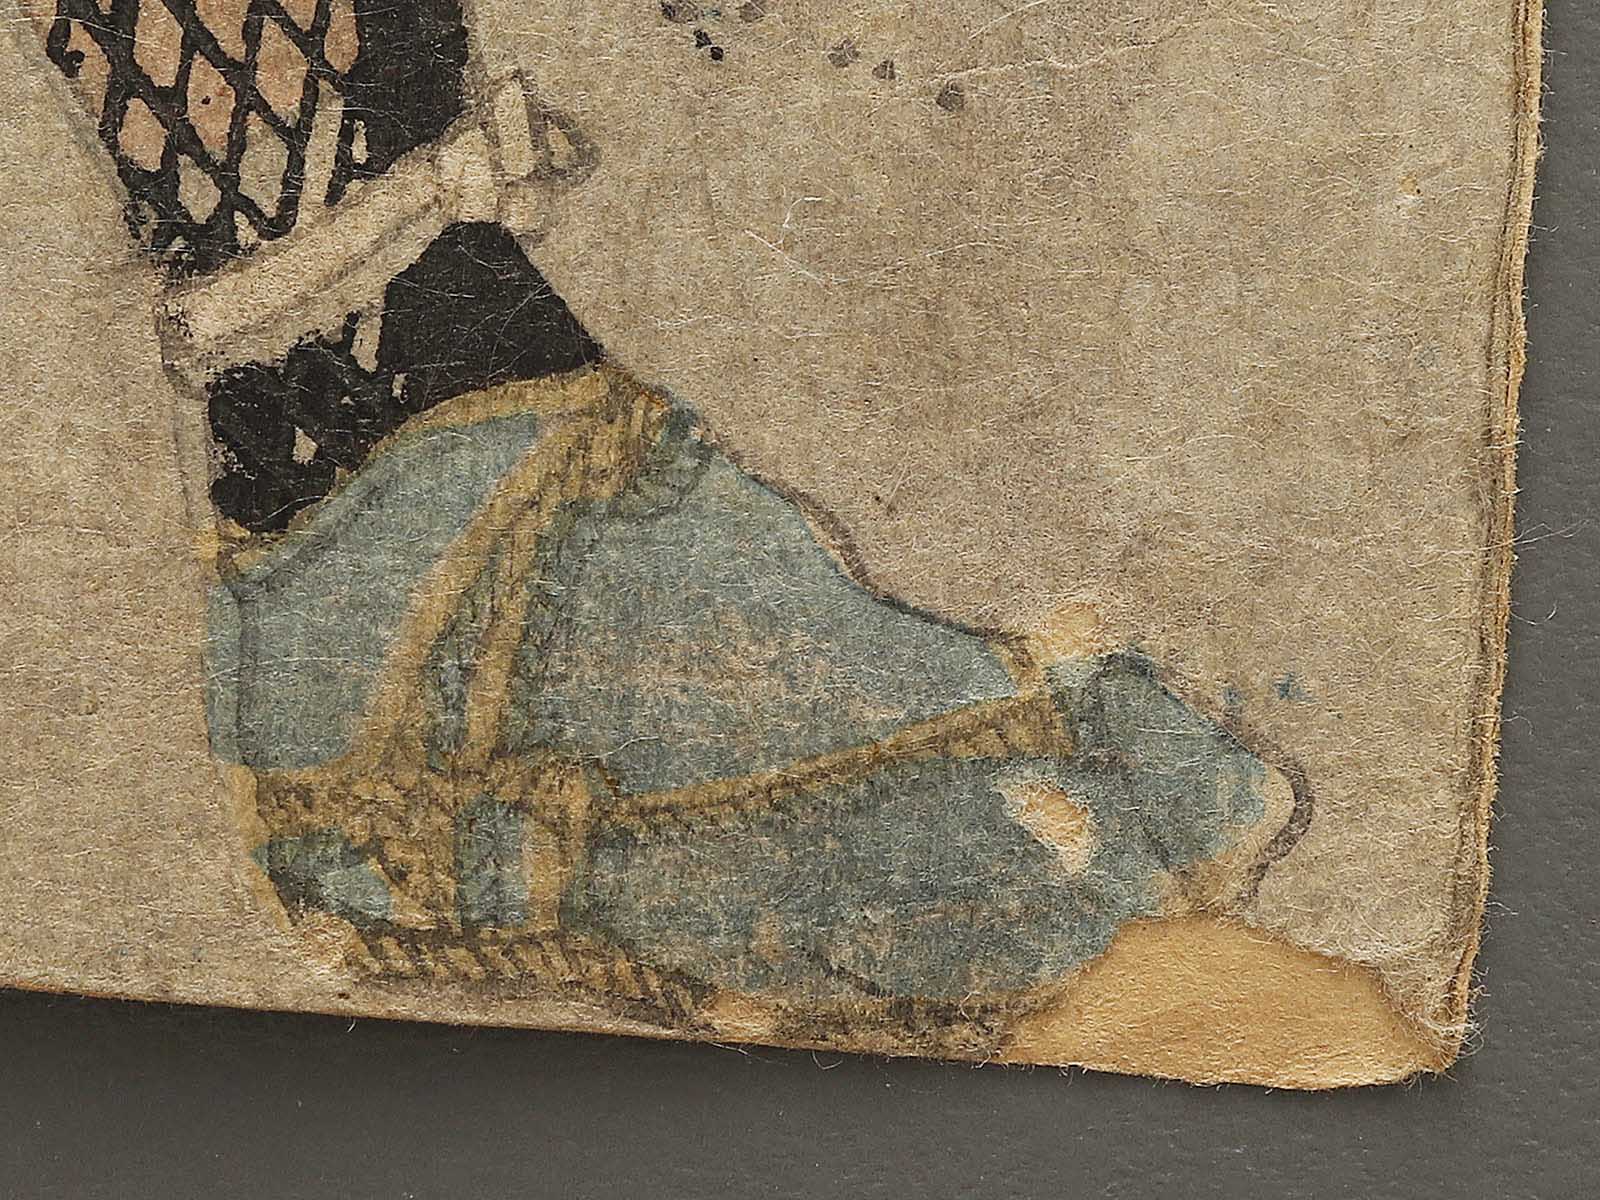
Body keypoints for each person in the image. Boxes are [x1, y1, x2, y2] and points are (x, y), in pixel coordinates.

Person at [29, 0, 1306, 1054]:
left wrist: (504, 178)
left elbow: (463, 208)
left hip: (567, 431)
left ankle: (1086, 841)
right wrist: (430, 191)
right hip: (359, 556)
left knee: (834, 640)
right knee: (798, 755)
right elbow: (193, 333)